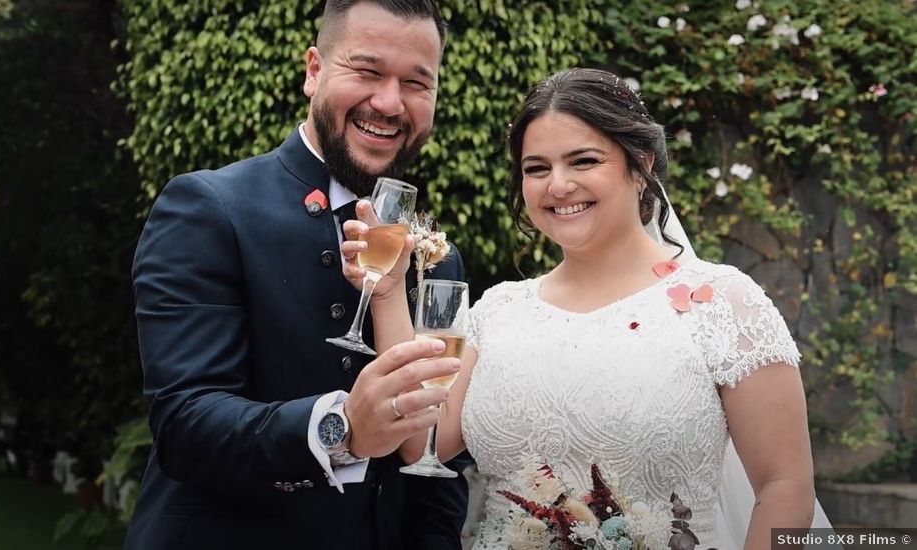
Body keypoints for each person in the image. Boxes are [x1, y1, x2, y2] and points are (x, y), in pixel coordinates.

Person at [357, 68, 830, 549]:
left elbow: (784, 486)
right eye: (536, 168)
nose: (558, 186)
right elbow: (422, 441)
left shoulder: (724, 303)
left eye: (583, 161)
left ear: (640, 164)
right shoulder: (497, 311)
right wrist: (388, 292)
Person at [124, 2, 468, 549]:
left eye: (416, 83)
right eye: (368, 71)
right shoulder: (209, 207)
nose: (389, 102)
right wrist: (343, 429)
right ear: (314, 71)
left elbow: (435, 472)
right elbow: (185, 425)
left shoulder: (440, 260)